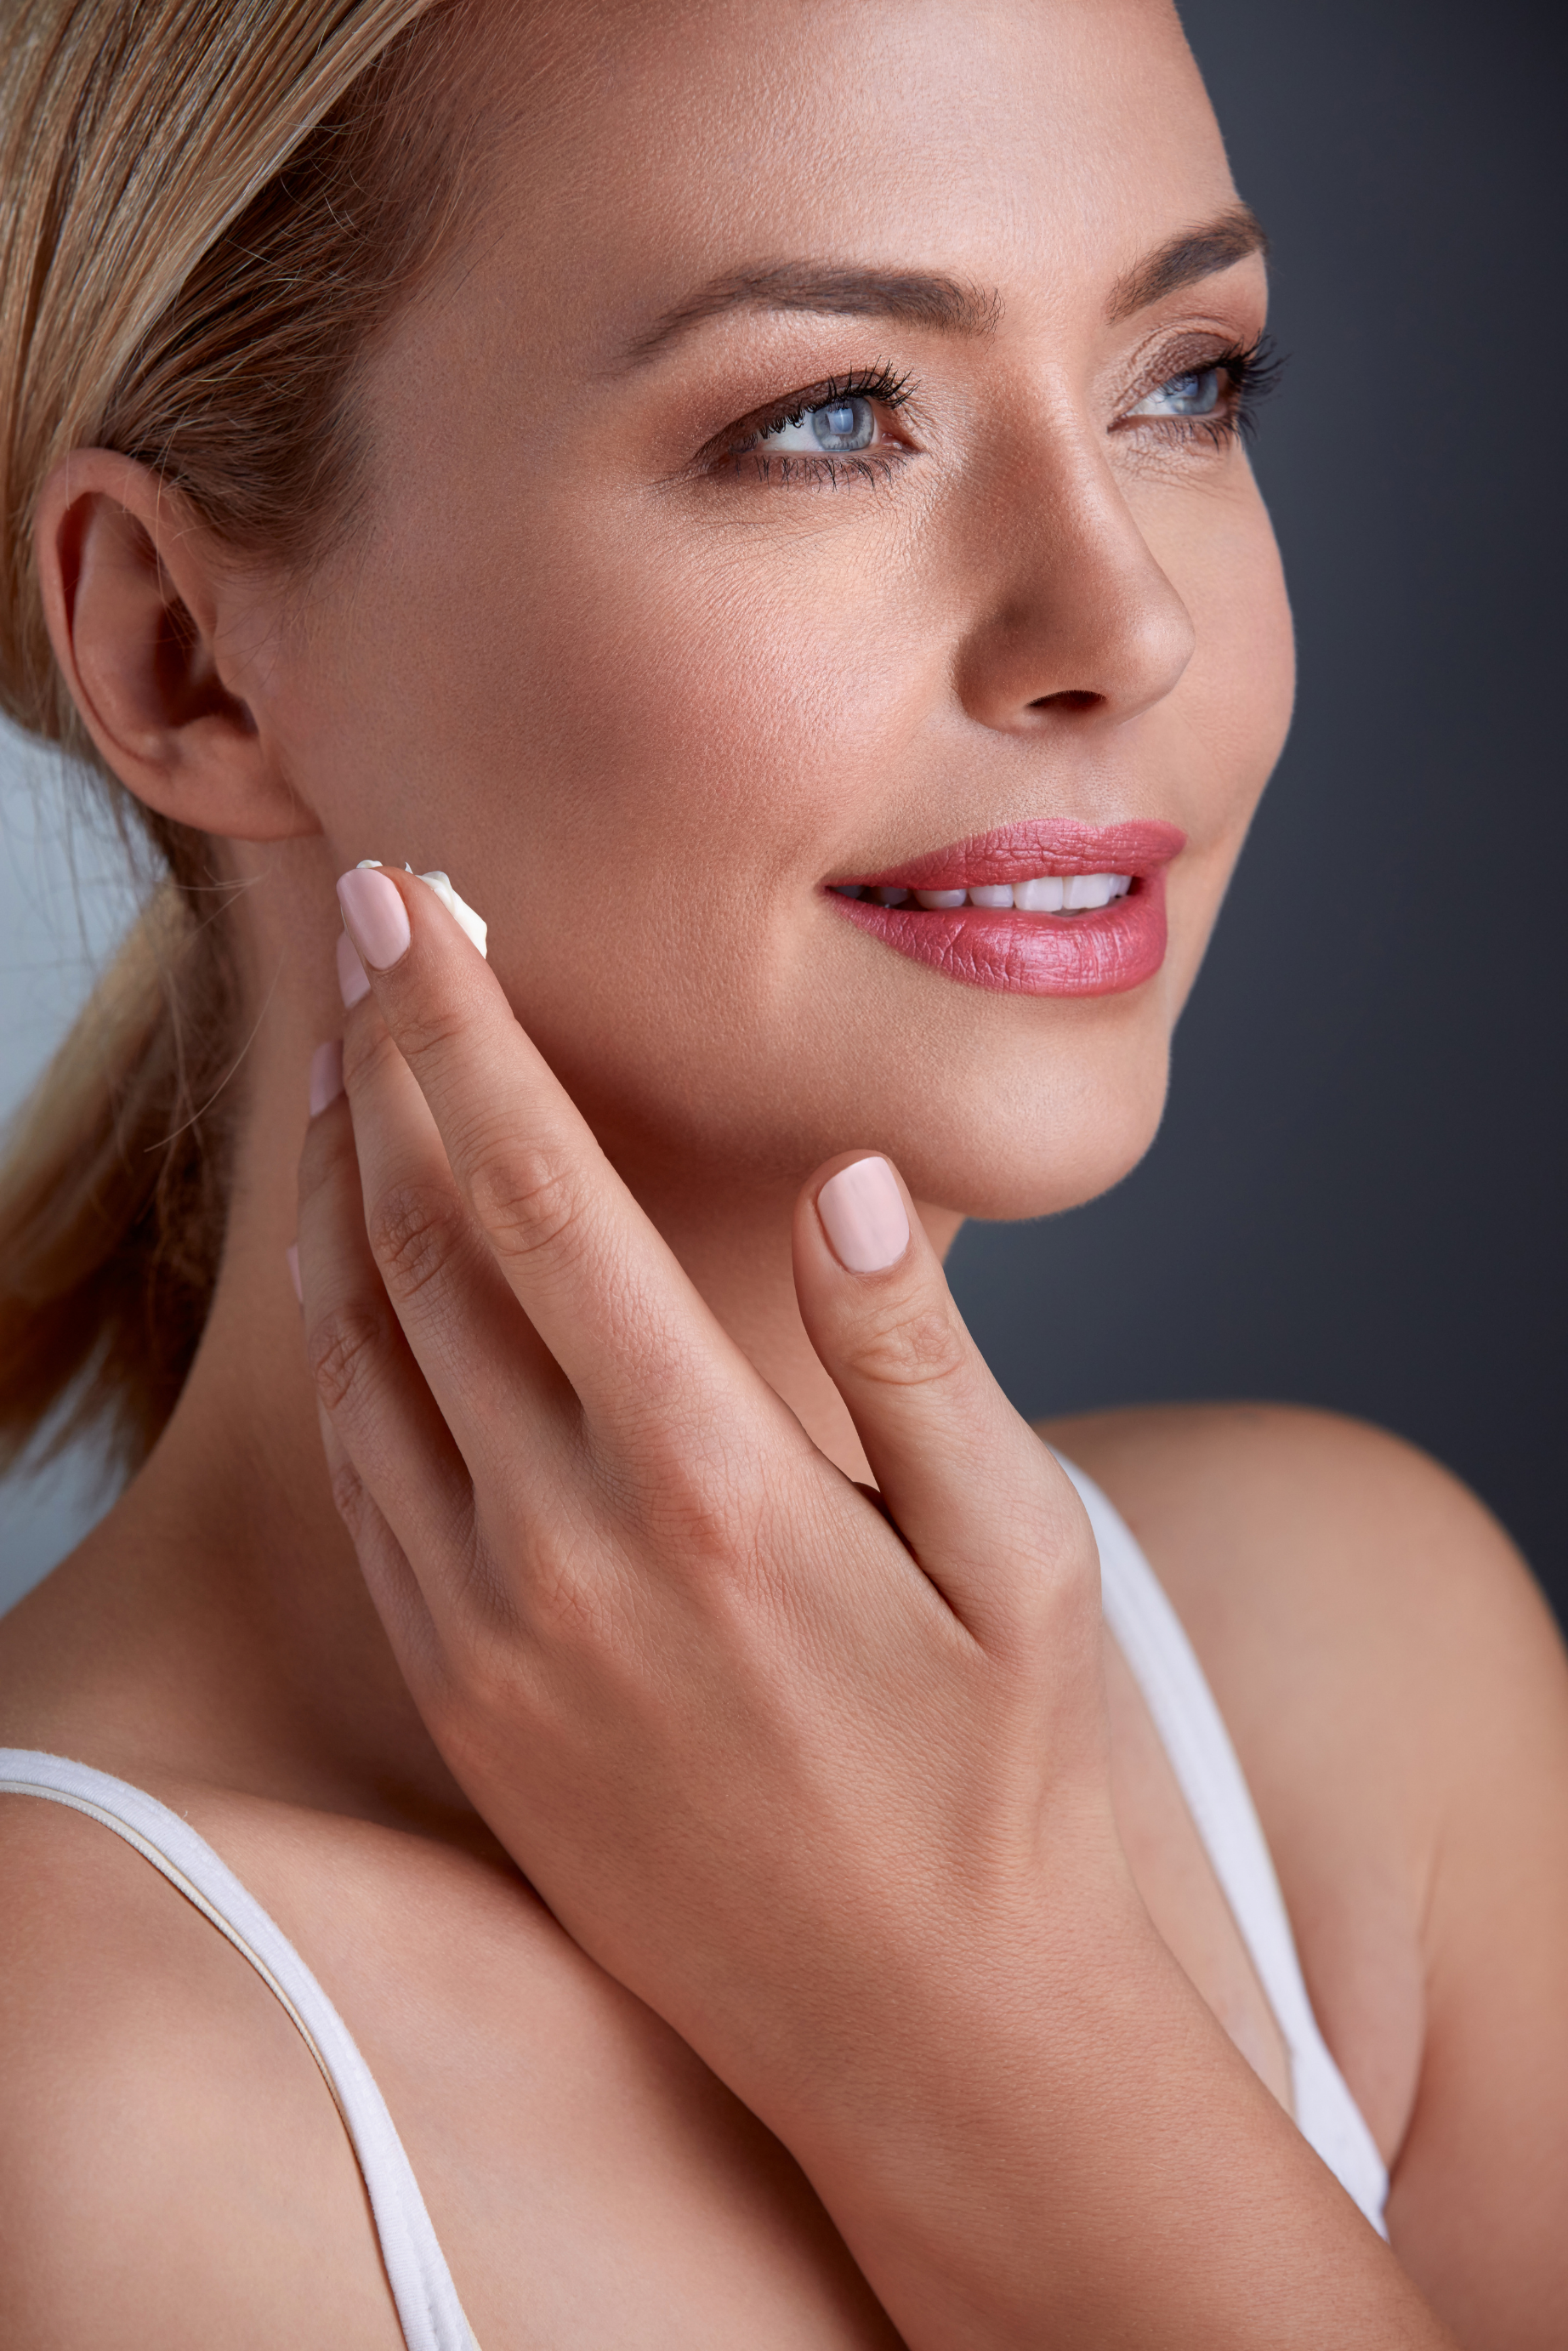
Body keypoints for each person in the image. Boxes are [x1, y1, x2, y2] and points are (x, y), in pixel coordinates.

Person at [0, 1, 1563, 2342]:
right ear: (183, 656)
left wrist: (989, 2016)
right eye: (826, 417)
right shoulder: (71, 2097)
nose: (1115, 618)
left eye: (1183, 381)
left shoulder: (1360, 1671)